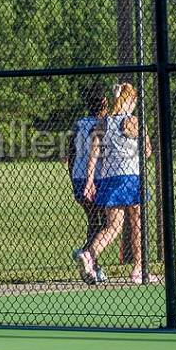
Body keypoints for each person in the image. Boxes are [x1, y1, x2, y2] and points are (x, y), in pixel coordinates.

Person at [76, 83, 154, 286]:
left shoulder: (104, 123)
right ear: (131, 100)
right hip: (130, 177)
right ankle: (139, 269)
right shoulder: (134, 121)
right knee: (136, 223)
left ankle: (88, 254)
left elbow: (94, 154)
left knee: (112, 227)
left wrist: (90, 181)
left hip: (110, 179)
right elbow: (147, 151)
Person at [67, 83, 107, 279]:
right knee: (105, 223)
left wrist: (72, 176)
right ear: (104, 103)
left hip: (78, 176)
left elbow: (71, 152)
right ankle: (86, 254)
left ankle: (93, 265)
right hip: (95, 177)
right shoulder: (103, 124)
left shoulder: (78, 124)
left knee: (95, 221)